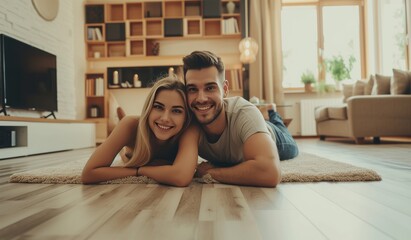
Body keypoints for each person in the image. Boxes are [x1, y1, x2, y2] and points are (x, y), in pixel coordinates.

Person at [183, 51, 299, 187]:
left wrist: (211, 173)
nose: (201, 98)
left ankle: (273, 114)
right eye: (192, 89)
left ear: (225, 89)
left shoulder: (244, 112)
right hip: (248, 132)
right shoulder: (187, 120)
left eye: (210, 88)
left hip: (274, 137)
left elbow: (270, 173)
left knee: (292, 147)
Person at [81, 76, 199, 187]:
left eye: (177, 111)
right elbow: (88, 174)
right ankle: (119, 123)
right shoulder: (130, 125)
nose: (165, 118)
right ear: (148, 109)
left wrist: (141, 169)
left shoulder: (189, 129)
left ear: (186, 117)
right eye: (158, 107)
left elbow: (181, 177)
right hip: (131, 147)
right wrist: (136, 171)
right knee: (126, 149)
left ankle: (119, 121)